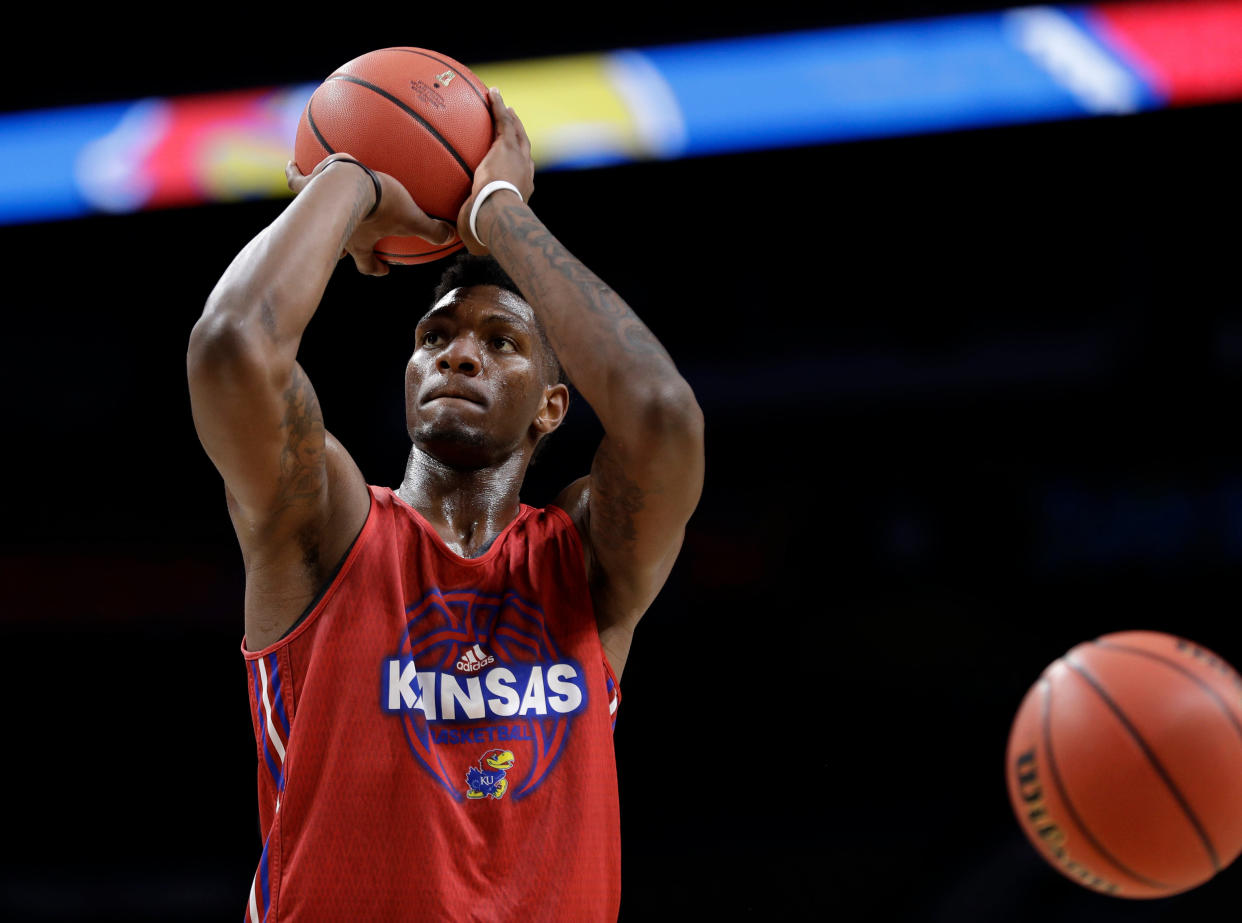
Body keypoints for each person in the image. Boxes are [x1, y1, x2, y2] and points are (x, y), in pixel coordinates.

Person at [186, 88, 704, 921]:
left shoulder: (584, 563)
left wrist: (498, 211)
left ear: (551, 405)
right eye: (435, 337)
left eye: (500, 342)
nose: (458, 355)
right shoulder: (325, 530)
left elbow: (663, 414)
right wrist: (348, 178)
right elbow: (229, 346)